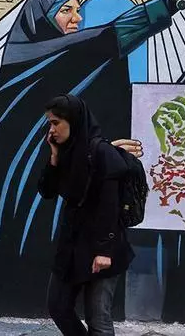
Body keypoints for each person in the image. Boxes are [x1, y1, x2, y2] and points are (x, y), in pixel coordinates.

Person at [0, 0, 185, 313]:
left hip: (65, 186)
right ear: (41, 18)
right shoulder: (37, 55)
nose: (77, 18)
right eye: (66, 11)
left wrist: (103, 149)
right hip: (26, 187)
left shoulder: (57, 57)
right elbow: (118, 33)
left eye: (79, 10)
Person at [39, 94, 133, 336]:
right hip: (72, 245)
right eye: (49, 123)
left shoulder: (102, 153)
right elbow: (46, 191)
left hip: (103, 247)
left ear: (74, 121)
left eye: (56, 122)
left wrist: (104, 251)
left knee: (98, 319)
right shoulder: (65, 152)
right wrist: (54, 158)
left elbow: (110, 205)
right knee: (58, 306)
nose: (52, 129)